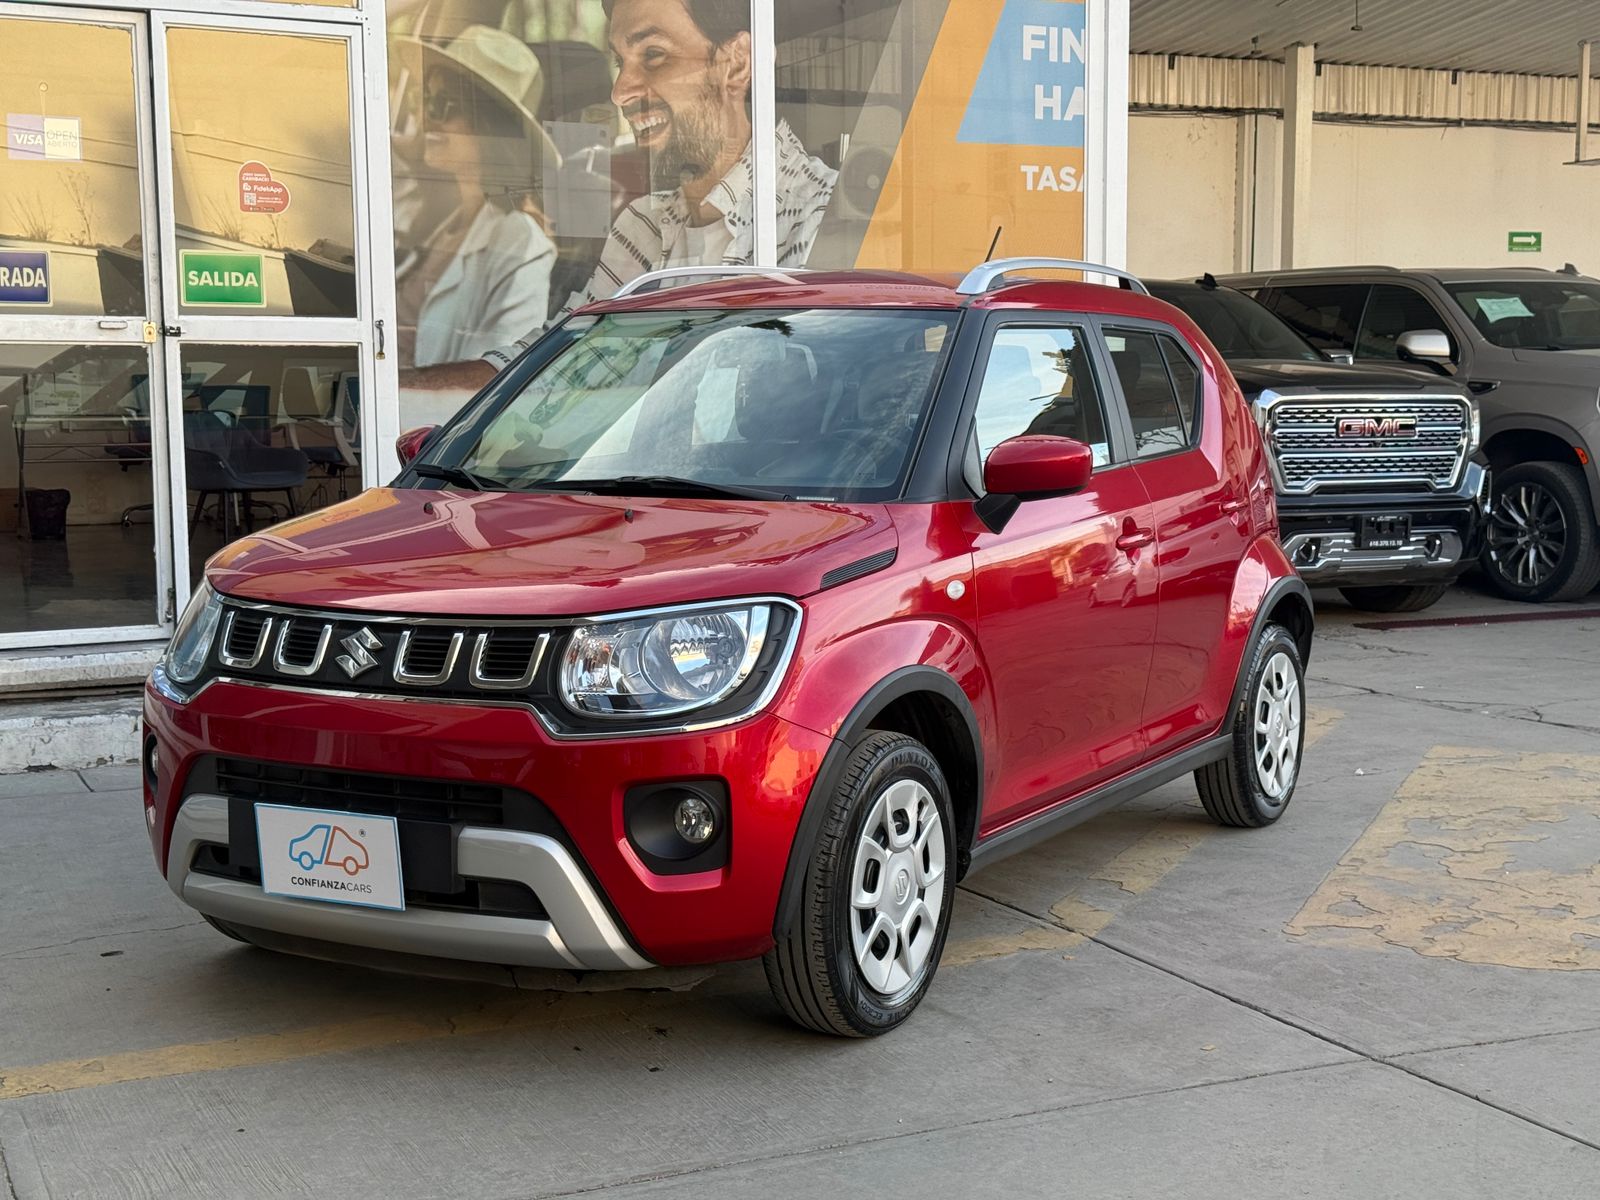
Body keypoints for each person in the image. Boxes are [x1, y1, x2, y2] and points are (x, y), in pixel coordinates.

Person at [399, 0, 837, 393]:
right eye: (620, 62)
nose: (620, 91)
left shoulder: (824, 216)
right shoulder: (642, 225)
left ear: (737, 64)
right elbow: (561, 361)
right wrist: (391, 391)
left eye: (654, 55)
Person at [393, 25, 560, 367]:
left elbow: (495, 373)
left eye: (443, 105)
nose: (425, 118)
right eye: (424, 100)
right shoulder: (441, 217)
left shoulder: (520, 243)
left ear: (489, 126)